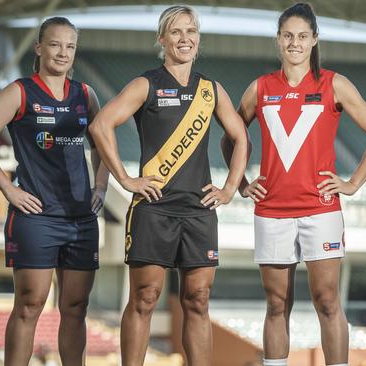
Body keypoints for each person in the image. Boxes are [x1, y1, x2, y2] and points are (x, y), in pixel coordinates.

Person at [222, 3, 366, 366]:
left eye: (302, 36)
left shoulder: (334, 83)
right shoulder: (261, 87)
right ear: (278, 40)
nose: (294, 43)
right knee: (276, 303)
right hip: (272, 212)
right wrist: (242, 184)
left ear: (314, 39)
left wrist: (354, 182)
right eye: (287, 36)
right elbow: (230, 138)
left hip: (321, 209)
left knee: (327, 301)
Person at [88, 5, 248, 366]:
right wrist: (126, 179)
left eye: (191, 31)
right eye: (176, 32)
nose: (184, 39)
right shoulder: (146, 83)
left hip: (199, 210)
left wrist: (228, 188)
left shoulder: (210, 90)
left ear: (199, 39)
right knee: (145, 296)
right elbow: (101, 126)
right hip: (154, 207)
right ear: (162, 39)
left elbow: (241, 138)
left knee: (198, 299)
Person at [0, 17, 108, 366]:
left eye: (70, 46)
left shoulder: (85, 95)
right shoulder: (20, 91)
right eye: (55, 44)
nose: (63, 52)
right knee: (30, 304)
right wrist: (7, 190)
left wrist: (100, 185)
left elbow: (103, 144)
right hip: (36, 218)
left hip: (80, 219)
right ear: (39, 47)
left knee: (75, 308)